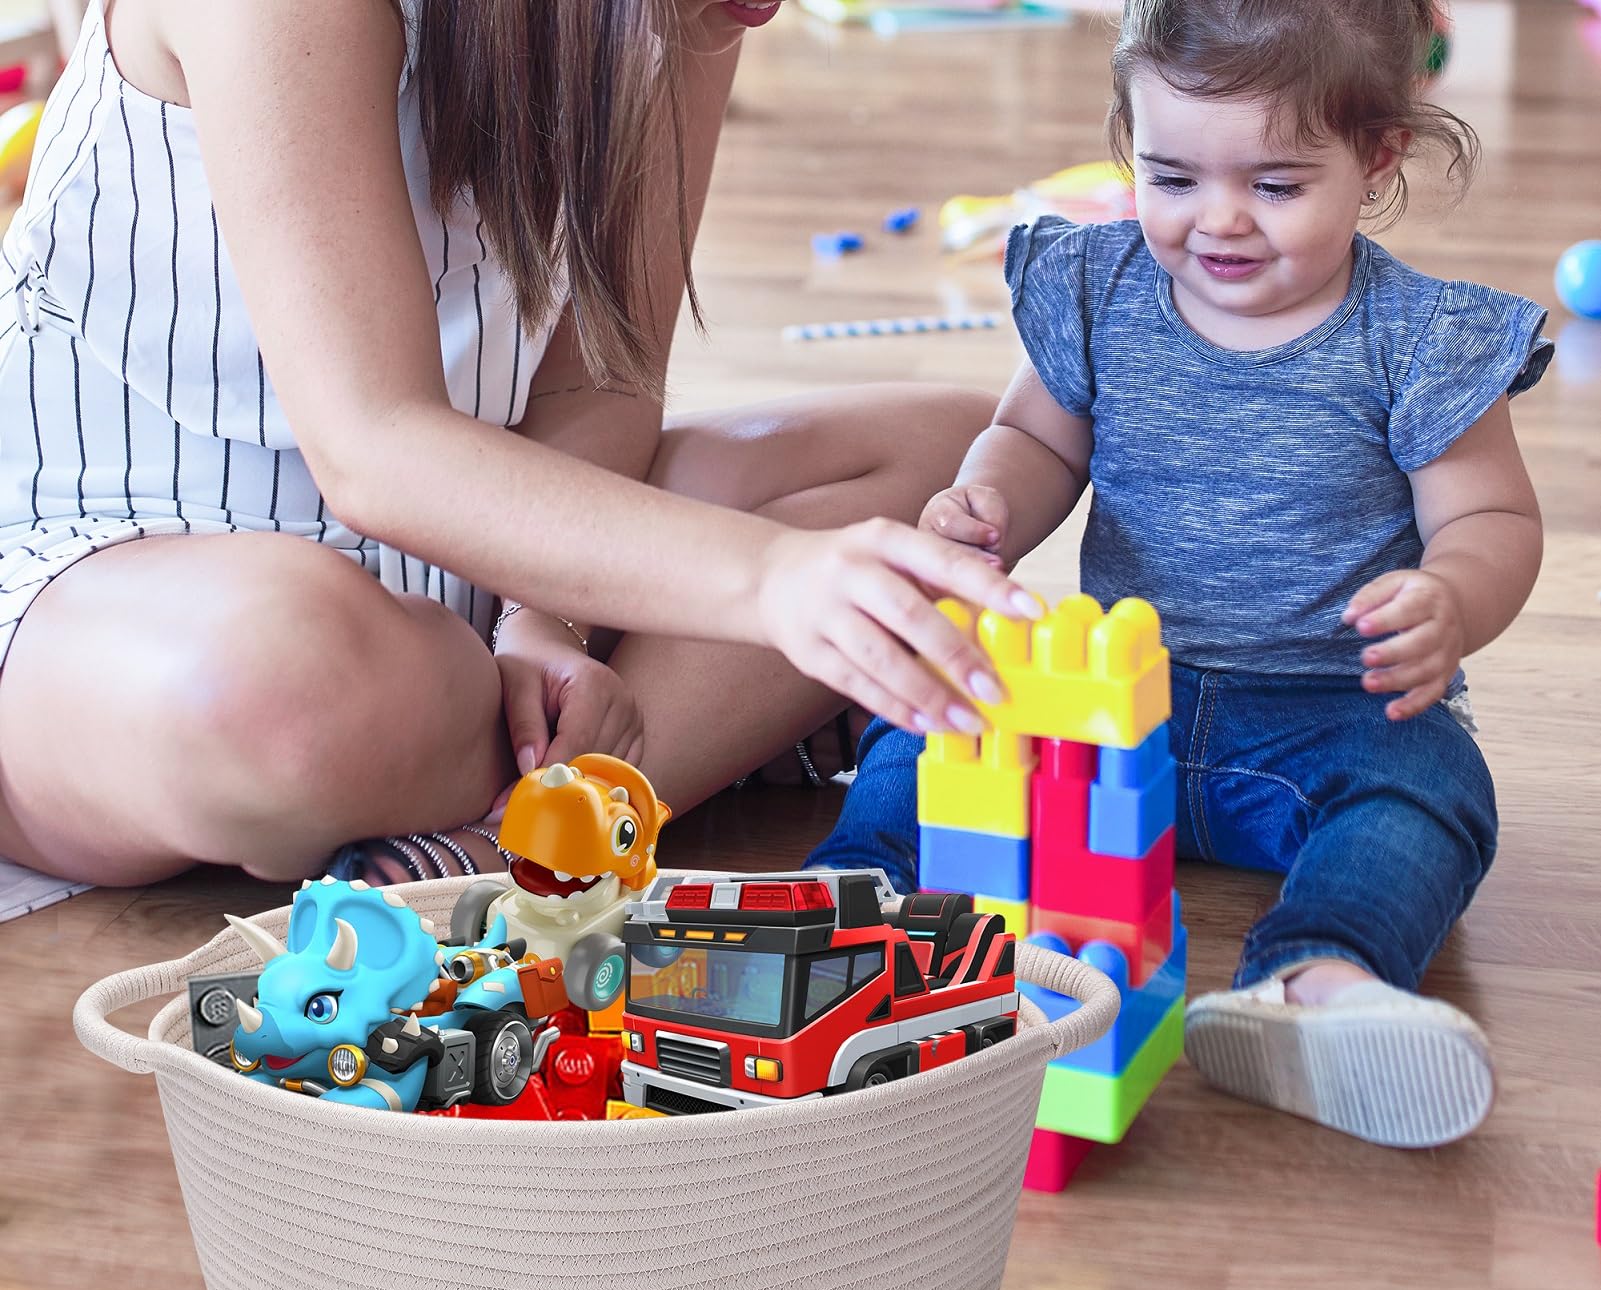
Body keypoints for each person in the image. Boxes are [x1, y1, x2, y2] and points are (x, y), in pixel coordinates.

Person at [0, 0, 1040, 919]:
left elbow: (604, 376)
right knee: (279, 687)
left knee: (969, 468)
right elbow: (375, 449)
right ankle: (685, 740)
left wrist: (546, 619)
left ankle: (518, 838)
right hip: (107, 586)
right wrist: (767, 583)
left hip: (469, 567)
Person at [805, 0, 1551, 1148]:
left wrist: (1451, 595)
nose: (1218, 221)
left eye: (1274, 184)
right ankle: (846, 916)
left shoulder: (1418, 339)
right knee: (925, 721)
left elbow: (1491, 514)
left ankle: (1314, 980)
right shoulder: (1097, 286)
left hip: (1321, 711)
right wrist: (985, 498)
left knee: (1429, 789)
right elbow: (1037, 441)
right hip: (1106, 703)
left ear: (1376, 155)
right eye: (1170, 177)